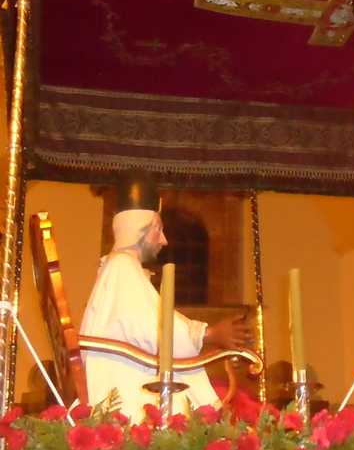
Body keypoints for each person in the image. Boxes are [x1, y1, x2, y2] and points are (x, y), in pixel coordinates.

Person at [80, 169, 251, 420]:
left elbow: (155, 324)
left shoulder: (122, 269)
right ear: (138, 229)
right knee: (221, 415)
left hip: (130, 374)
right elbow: (154, 332)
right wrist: (210, 334)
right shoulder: (123, 269)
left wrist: (208, 333)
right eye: (158, 229)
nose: (164, 240)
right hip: (128, 393)